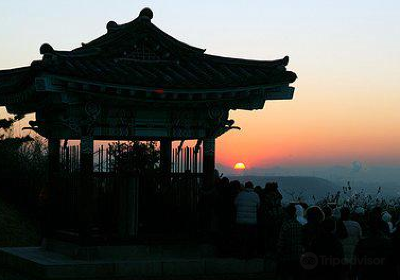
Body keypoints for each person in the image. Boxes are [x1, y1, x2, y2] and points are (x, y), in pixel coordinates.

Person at [234, 181, 260, 259]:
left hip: (240, 221)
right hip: (252, 222)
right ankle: (250, 255)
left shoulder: (240, 195)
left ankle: (241, 254)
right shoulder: (256, 195)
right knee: (250, 239)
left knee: (241, 239)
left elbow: (235, 204)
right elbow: (258, 206)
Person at [277, 204, 304, 280]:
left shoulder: (285, 225)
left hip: (287, 256)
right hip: (298, 255)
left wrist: (279, 252)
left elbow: (281, 241)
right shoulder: (299, 225)